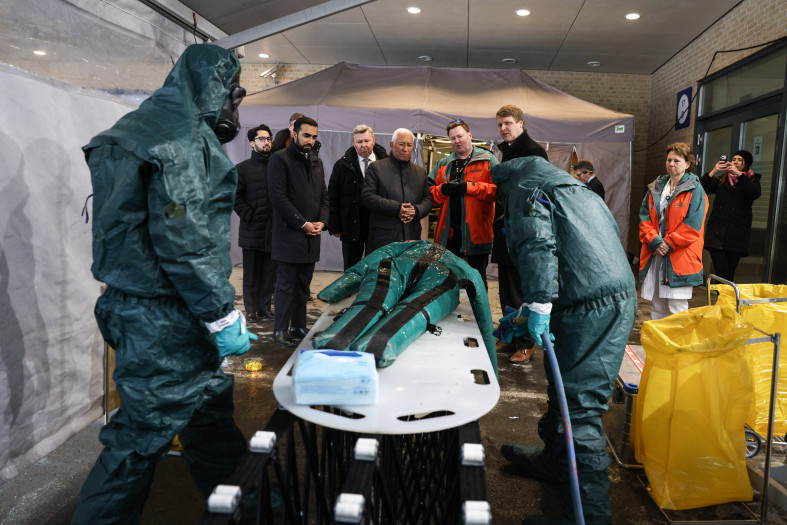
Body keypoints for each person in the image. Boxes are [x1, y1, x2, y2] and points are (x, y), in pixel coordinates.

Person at [72, 44, 255, 523]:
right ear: (216, 87)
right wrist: (221, 312)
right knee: (140, 438)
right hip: (166, 316)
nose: (235, 107)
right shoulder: (178, 140)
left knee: (208, 417)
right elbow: (185, 238)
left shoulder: (133, 130)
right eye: (234, 94)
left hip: (146, 306)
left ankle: (244, 504)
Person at [493, 154, 637, 525]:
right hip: (600, 297)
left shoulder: (526, 188)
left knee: (580, 408)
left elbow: (537, 245)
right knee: (565, 388)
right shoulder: (575, 189)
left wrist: (539, 302)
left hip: (590, 306)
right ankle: (557, 462)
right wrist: (537, 306)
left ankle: (588, 515)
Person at [268, 116, 329, 347]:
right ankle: (280, 329)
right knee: (285, 285)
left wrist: (321, 222)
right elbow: (279, 198)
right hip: (288, 235)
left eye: (314, 137)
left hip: (311, 236)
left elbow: (323, 196)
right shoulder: (279, 159)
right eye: (306, 135)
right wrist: (302, 223)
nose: (310, 141)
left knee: (303, 285)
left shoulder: (316, 162)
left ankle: (298, 326)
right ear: (294, 133)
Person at [492, 104, 546, 363]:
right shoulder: (507, 151)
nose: (503, 128)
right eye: (500, 124)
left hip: (524, 231)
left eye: (508, 123)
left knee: (523, 289)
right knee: (506, 287)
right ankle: (509, 334)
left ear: (521, 123)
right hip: (505, 229)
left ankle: (526, 343)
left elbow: (535, 195)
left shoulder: (534, 152)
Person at [639, 143, 708, 320]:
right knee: (657, 306)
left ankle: (678, 348)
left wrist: (667, 244)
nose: (671, 164)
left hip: (680, 257)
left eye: (676, 160)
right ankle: (660, 346)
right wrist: (654, 241)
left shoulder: (696, 190)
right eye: (669, 160)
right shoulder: (656, 186)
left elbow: (692, 226)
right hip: (656, 253)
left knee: (677, 307)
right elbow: (644, 217)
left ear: (687, 164)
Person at [428, 119, 498, 287]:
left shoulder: (488, 160)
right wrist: (442, 190)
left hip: (476, 235)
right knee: (448, 282)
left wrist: (471, 187)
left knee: (477, 282)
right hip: (448, 236)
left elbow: (499, 191)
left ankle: (478, 313)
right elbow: (428, 194)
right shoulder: (444, 164)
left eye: (460, 136)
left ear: (469, 135)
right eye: (453, 138)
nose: (457, 141)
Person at [361, 128, 433, 252]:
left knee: (408, 271)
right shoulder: (376, 168)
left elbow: (428, 199)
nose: (405, 149)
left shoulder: (420, 172)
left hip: (411, 237)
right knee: (382, 271)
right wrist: (397, 208)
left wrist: (416, 211)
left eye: (409, 145)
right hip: (383, 239)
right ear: (392, 145)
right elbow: (367, 197)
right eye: (401, 144)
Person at [328, 124, 388, 268]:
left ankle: (371, 291)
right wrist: (334, 225)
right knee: (351, 267)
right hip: (350, 225)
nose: (363, 145)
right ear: (353, 143)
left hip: (379, 225)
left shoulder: (387, 164)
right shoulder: (341, 166)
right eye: (359, 142)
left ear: (373, 140)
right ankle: (350, 291)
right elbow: (332, 197)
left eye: (367, 141)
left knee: (376, 266)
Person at [235, 124, 276, 322]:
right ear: (252, 143)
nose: (266, 142)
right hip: (252, 231)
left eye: (268, 138)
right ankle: (250, 310)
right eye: (262, 139)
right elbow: (235, 198)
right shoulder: (242, 169)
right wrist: (250, 216)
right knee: (251, 274)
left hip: (274, 231)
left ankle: (265, 308)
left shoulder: (278, 166)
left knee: (269, 274)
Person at [700, 149, 762, 282]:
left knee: (729, 273)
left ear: (746, 164)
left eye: (740, 160)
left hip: (737, 235)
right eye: (734, 159)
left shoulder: (751, 180)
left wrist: (739, 175)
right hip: (717, 234)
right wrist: (713, 171)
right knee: (721, 271)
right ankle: (723, 299)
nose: (736, 162)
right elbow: (701, 188)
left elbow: (754, 194)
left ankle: (724, 300)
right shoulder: (721, 180)